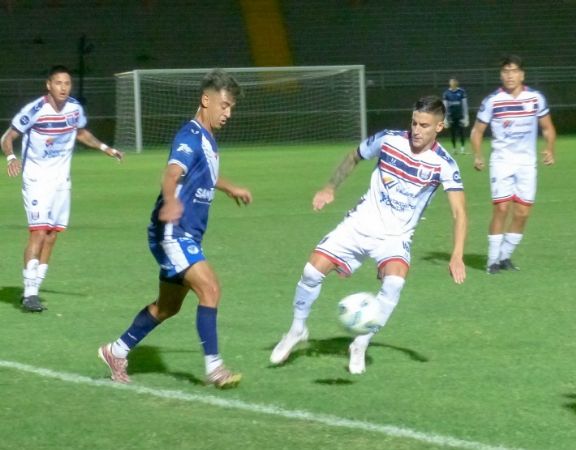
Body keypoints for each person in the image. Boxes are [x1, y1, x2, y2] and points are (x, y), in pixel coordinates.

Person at [269, 96, 467, 375]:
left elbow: (459, 212)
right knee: (311, 272)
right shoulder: (388, 140)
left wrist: (456, 255)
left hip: (395, 238)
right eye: (414, 122)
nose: (417, 130)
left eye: (424, 125)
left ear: (440, 127)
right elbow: (355, 155)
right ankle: (297, 329)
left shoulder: (444, 165)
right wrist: (330, 187)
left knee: (395, 283)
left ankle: (360, 343)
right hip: (360, 225)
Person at [98, 69, 252, 389]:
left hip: (186, 233)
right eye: (224, 105)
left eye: (231, 108)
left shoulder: (207, 140)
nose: (228, 113)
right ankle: (215, 368)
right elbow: (171, 174)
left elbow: (204, 174)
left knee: (168, 307)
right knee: (210, 289)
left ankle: (116, 351)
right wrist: (169, 201)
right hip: (173, 231)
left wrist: (230, 188)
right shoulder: (189, 136)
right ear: (205, 99)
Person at [1, 65, 124, 312]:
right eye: (58, 83)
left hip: (61, 180)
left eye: (67, 83)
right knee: (37, 232)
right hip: (36, 179)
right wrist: (11, 158)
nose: (63, 88)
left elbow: (81, 133)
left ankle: (35, 284)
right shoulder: (35, 110)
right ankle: (30, 294)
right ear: (49, 85)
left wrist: (105, 148)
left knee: (52, 235)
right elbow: (7, 137)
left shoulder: (74, 109)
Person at [470, 54, 556, 274]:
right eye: (505, 71)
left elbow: (548, 128)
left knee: (522, 213)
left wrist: (549, 148)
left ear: (522, 74)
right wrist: (477, 155)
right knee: (501, 208)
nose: (509, 75)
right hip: (502, 161)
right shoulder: (492, 101)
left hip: (527, 163)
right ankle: (491, 261)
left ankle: (505, 256)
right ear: (501, 75)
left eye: (514, 71)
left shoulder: (535, 98)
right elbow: (477, 131)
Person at [443, 77, 469, 154]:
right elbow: (445, 106)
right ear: (449, 83)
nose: (453, 83)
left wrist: (466, 117)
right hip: (451, 116)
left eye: (454, 82)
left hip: (460, 116)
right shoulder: (446, 93)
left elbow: (464, 105)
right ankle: (454, 149)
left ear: (456, 83)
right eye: (451, 82)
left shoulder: (461, 92)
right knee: (452, 133)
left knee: (461, 133)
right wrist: (445, 119)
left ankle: (462, 149)